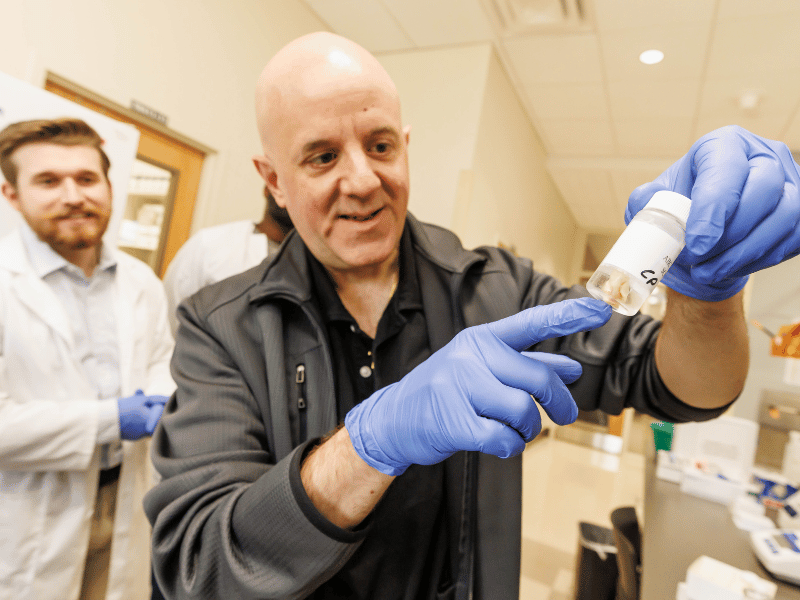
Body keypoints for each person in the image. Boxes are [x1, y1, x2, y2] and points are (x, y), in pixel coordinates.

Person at [143, 32, 800, 600]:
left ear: (404, 145)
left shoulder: (498, 290)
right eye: (321, 157)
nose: (364, 180)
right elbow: (197, 568)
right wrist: (369, 444)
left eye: (379, 145)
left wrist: (709, 293)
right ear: (274, 180)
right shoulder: (218, 326)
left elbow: (680, 387)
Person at [0, 118, 175, 600]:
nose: (74, 195)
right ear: (11, 194)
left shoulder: (141, 281)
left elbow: (161, 362)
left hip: (122, 499)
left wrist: (169, 398)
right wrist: (110, 419)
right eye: (48, 181)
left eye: (86, 178)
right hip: (25, 512)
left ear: (108, 185)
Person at [161, 185, 293, 334]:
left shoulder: (317, 260)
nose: (291, 195)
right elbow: (169, 317)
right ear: (267, 188)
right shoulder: (210, 244)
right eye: (287, 185)